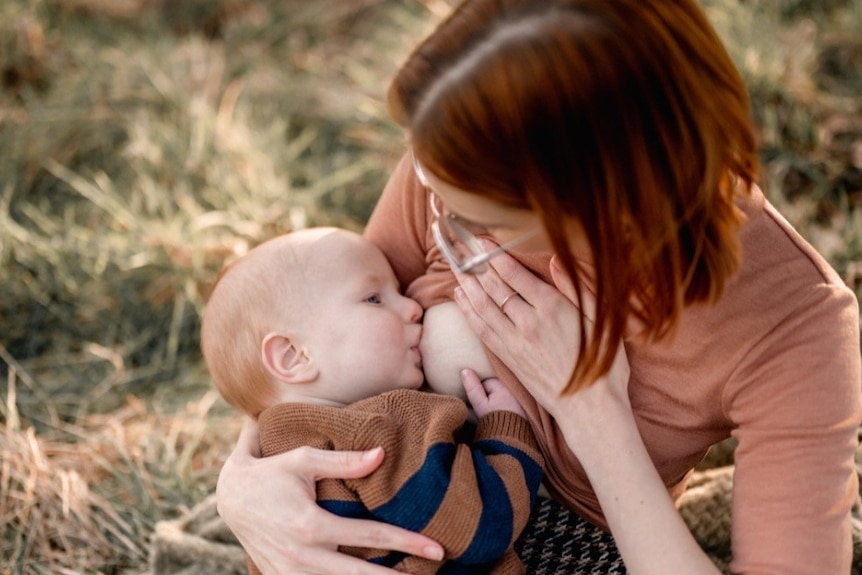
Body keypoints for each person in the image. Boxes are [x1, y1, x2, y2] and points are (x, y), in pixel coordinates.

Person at [215, 1, 862, 574]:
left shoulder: (794, 332)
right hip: (384, 480)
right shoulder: (459, 149)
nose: (440, 215)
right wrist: (245, 483)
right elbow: (313, 337)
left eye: (478, 219)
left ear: (600, 212)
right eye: (431, 185)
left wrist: (592, 411)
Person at [200, 227, 544, 574]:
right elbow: (485, 526)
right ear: (293, 356)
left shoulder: (270, 468)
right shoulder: (383, 425)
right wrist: (505, 430)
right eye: (374, 299)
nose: (412, 307)